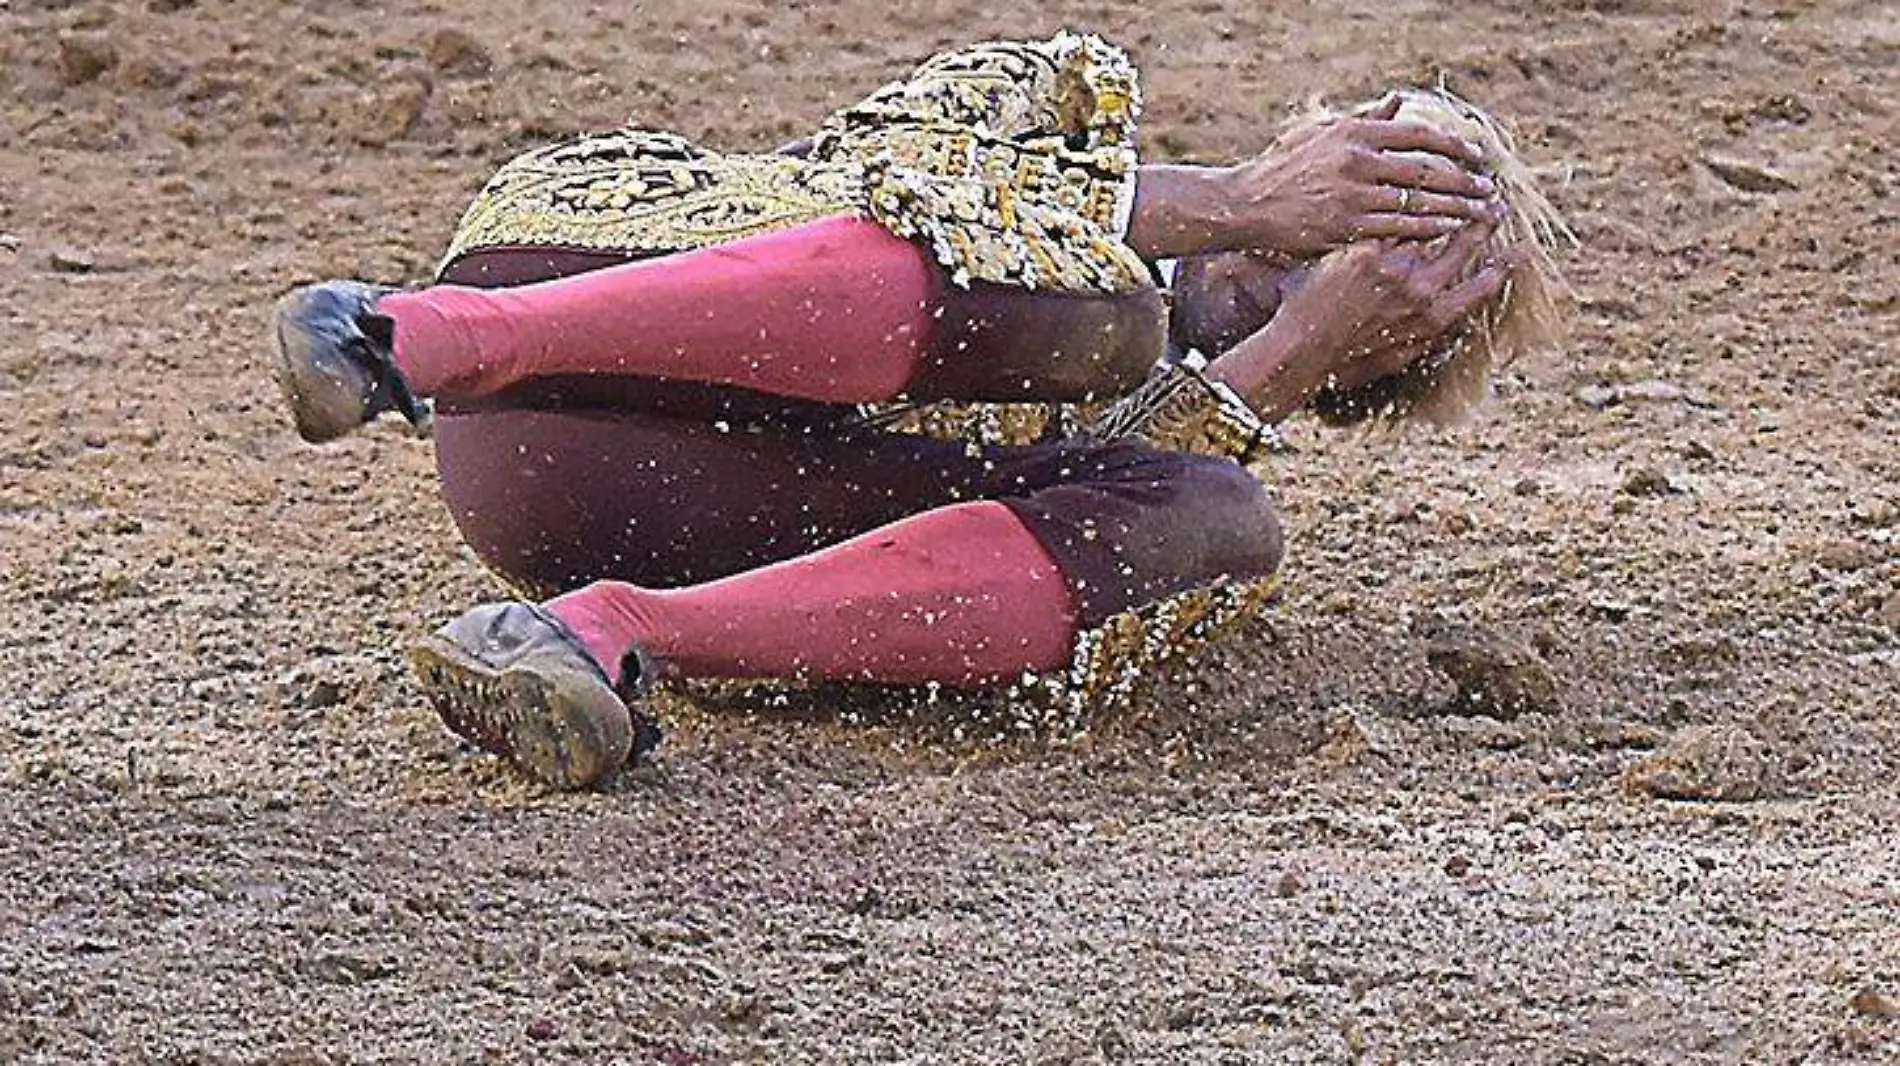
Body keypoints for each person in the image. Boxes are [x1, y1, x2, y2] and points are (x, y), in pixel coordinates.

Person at [274, 34, 1534, 790]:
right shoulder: (1059, 99)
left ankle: (603, 638)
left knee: (1220, 522)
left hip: (610, 521)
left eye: (1407, 262)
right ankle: (394, 335)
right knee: (1087, 310)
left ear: (1388, 359)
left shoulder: (1214, 442)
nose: (1364, 230)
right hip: (564, 283)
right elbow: (887, 180)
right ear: (1317, 146)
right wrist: (1241, 202)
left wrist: (1293, 352)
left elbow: (1077, 546)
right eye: (1381, 176)